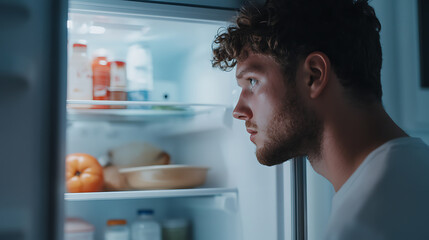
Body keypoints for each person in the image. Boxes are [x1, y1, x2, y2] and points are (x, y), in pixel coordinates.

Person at [211, 0, 429, 239]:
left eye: (252, 81)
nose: (238, 110)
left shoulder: (360, 228)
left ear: (313, 75)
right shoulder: (416, 167)